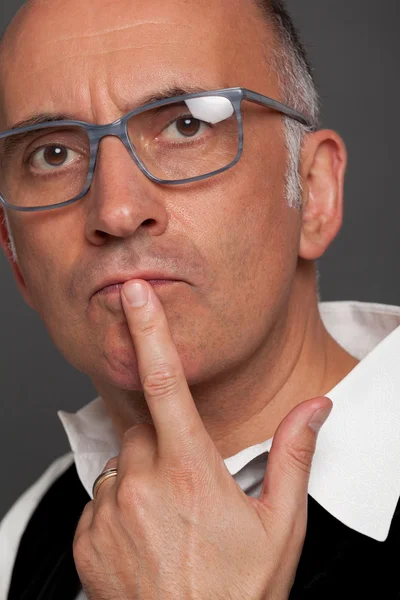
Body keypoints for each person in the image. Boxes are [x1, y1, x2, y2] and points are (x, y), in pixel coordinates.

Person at [0, 0, 399, 597]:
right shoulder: (22, 543)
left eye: (187, 124)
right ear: (15, 256)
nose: (116, 210)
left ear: (313, 193)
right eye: (53, 153)